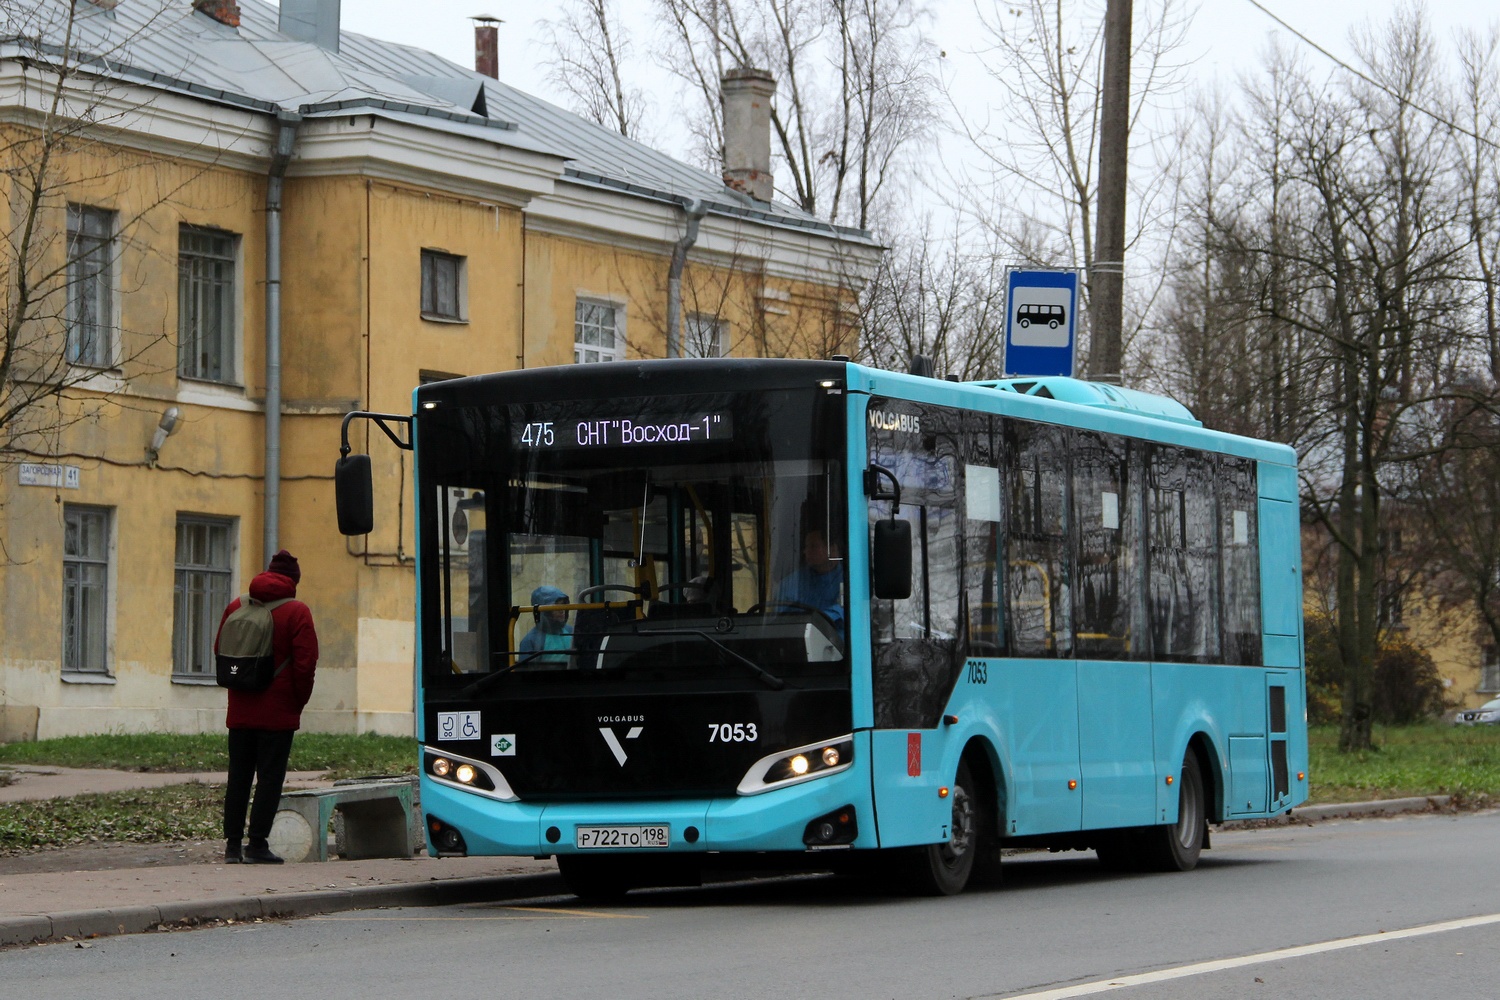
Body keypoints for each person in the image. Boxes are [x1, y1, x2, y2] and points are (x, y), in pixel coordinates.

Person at [216, 549, 318, 865]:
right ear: (293, 582)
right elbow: (305, 664)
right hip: (278, 712)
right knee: (269, 778)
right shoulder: (297, 612)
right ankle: (257, 844)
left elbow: (220, 649)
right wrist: (297, 702)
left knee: (239, 776)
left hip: (241, 708)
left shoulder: (237, 605)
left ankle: (232, 846)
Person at [775, 527, 845, 627]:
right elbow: (779, 611)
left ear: (832, 549)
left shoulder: (850, 579)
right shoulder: (794, 580)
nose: (805, 551)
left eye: (813, 546)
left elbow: (844, 611)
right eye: (806, 547)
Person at [520, 585, 573, 664]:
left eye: (562, 605)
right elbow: (526, 673)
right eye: (555, 606)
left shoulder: (572, 632)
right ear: (544, 612)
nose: (561, 610)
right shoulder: (531, 640)